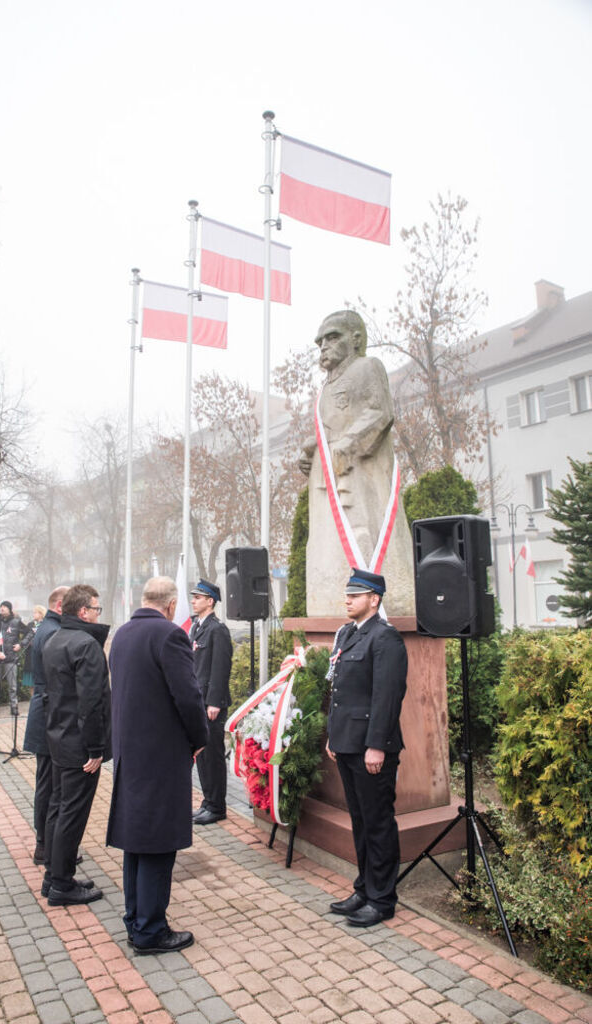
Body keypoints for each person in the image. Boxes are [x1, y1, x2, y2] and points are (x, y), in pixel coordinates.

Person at [107, 576, 208, 955]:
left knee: (136, 841)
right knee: (158, 843)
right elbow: (188, 696)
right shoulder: (169, 635)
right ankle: (151, 931)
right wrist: (199, 740)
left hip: (131, 752)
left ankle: (136, 920)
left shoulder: (122, 633)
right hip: (161, 755)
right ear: (170, 606)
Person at [299, 310, 415, 618]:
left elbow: (380, 413)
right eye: (320, 341)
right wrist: (311, 449)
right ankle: (333, 597)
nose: (323, 346)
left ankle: (385, 600)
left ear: (356, 339)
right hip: (330, 474)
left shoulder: (368, 367)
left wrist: (349, 444)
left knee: (364, 532)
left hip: (361, 472)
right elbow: (329, 430)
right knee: (332, 539)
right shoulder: (325, 387)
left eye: (332, 337)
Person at [326, 567, 408, 928]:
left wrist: (376, 746)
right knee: (359, 820)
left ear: (374, 599)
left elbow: (387, 698)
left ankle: (382, 899)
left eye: (355, 595)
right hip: (346, 744)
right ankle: (364, 887)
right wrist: (333, 735)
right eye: (347, 594)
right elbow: (340, 692)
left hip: (371, 748)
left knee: (377, 823)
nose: (347, 599)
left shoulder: (385, 638)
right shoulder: (347, 633)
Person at [42, 584, 110, 906]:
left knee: (58, 808)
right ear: (83, 611)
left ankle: (53, 875)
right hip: (79, 746)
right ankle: (61, 884)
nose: (99, 614)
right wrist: (95, 748)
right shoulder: (85, 644)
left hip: (58, 738)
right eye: (96, 609)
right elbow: (91, 702)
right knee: (72, 813)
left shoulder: (56, 640)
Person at [23, 586, 69, 866]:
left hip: (44, 710)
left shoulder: (49, 626)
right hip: (49, 714)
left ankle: (45, 843)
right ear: (61, 605)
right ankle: (46, 844)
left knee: (47, 782)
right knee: (50, 784)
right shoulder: (53, 631)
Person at [189, 579, 232, 826]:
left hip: (211, 704)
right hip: (199, 701)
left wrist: (214, 701)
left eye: (197, 597)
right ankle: (208, 801)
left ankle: (217, 806)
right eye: (193, 597)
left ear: (210, 601)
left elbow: (220, 668)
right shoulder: (197, 627)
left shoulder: (217, 629)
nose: (193, 601)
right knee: (202, 756)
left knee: (213, 755)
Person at [0, 600, 25, 716]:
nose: (2, 608)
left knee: (12, 685)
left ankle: (14, 706)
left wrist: (21, 644)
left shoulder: (16, 622)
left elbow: (30, 633)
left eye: (5, 607)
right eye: (1, 607)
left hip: (11, 658)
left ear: (9, 609)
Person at [19, 605, 46, 692]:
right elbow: (24, 638)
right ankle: (32, 701)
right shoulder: (30, 625)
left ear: (41, 614)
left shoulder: (46, 624)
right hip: (31, 655)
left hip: (42, 656)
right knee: (31, 683)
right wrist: (27, 642)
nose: (33, 614)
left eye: (35, 612)